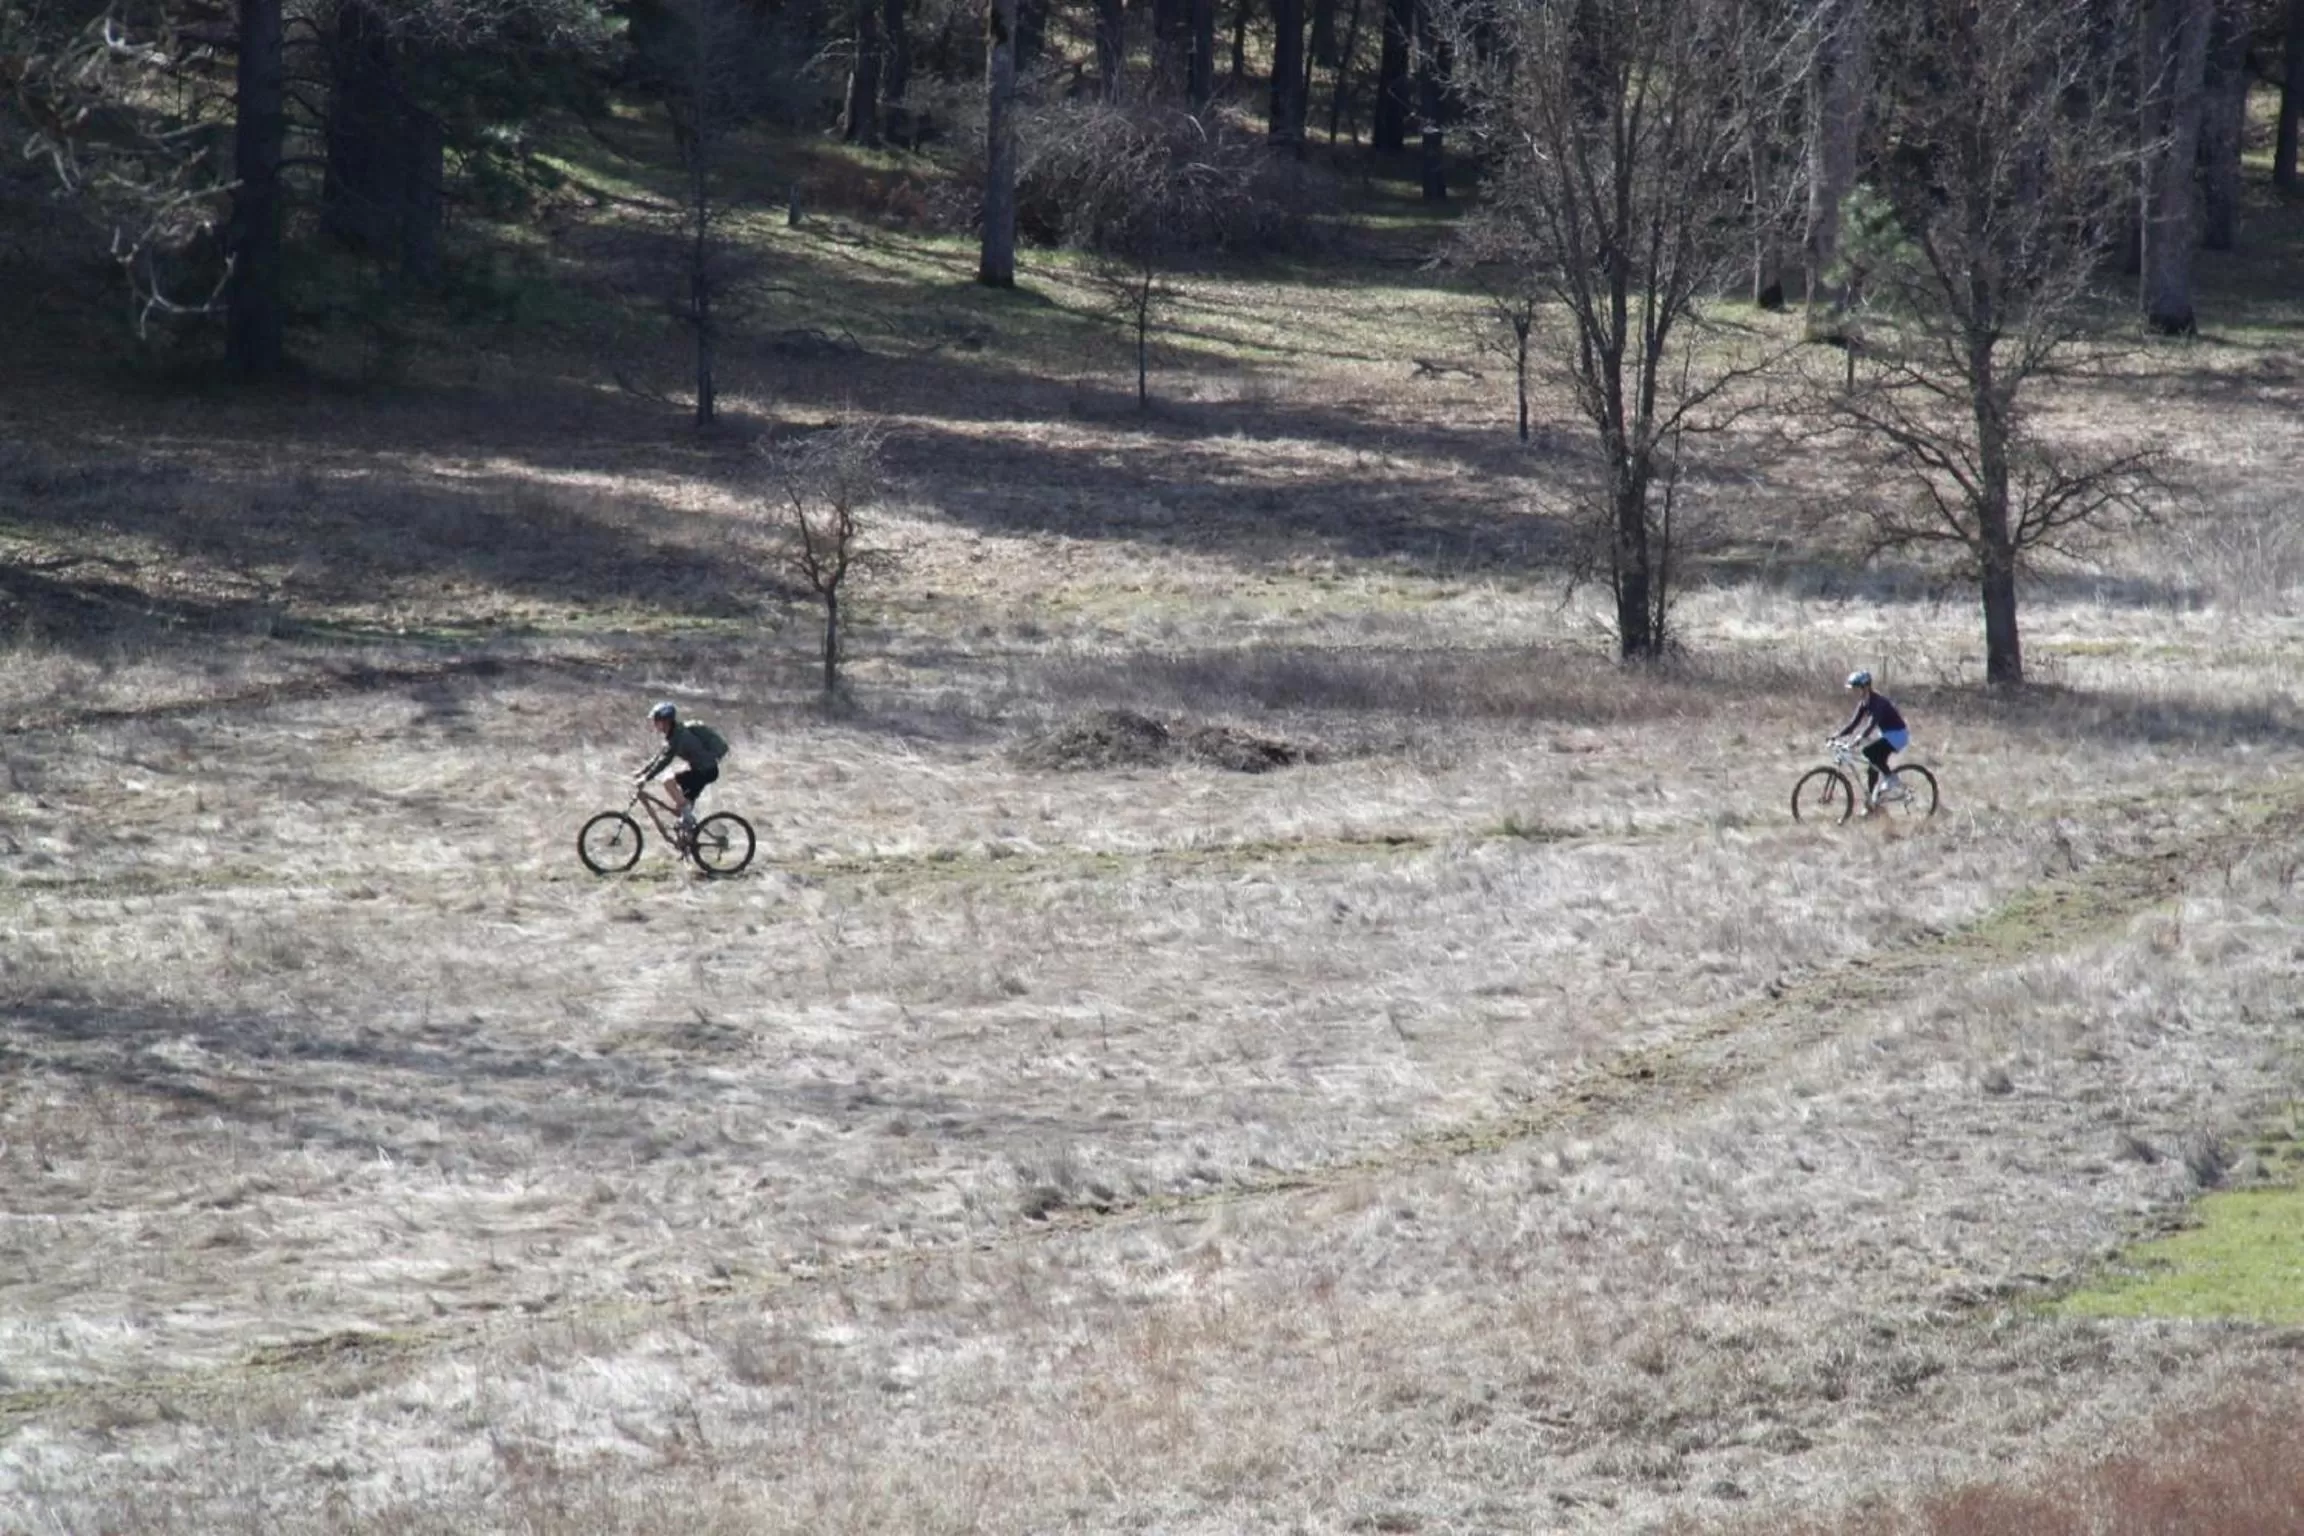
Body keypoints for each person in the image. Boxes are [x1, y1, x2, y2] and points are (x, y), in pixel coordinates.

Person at [636, 700, 720, 837]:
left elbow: (665, 760)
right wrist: (643, 771)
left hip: (705, 771)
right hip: (701, 770)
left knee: (668, 781)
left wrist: (646, 778)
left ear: (666, 721)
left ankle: (688, 822)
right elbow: (660, 755)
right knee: (682, 806)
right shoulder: (674, 733)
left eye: (656, 721)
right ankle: (688, 838)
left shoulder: (678, 736)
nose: (654, 724)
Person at [1832, 670, 1909, 813]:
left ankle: (1891, 778)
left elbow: (1871, 724)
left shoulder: (1878, 702)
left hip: (1898, 735)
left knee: (1869, 752)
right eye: (1853, 689)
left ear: (1866, 687)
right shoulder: (1864, 702)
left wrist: (1859, 738)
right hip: (1887, 735)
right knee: (1872, 768)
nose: (1854, 692)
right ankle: (1872, 805)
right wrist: (1837, 736)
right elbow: (1853, 724)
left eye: (1856, 689)